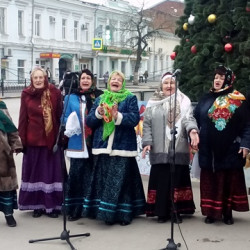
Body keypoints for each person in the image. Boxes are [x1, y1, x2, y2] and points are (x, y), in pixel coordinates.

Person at [83, 70, 146, 226]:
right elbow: (89, 122)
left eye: (119, 79)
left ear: (123, 83)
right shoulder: (100, 99)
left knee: (121, 182)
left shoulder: (130, 98)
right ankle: (105, 213)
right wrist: (98, 113)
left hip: (122, 146)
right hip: (103, 147)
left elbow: (134, 119)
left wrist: (117, 115)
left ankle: (123, 215)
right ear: (109, 82)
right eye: (113, 79)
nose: (115, 81)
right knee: (104, 181)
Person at [194, 65, 250, 225]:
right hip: (208, 149)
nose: (217, 80)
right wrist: (193, 133)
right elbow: (195, 118)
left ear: (228, 80)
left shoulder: (238, 99)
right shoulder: (206, 98)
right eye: (216, 77)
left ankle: (227, 213)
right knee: (210, 182)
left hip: (230, 149)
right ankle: (211, 213)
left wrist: (246, 144)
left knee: (227, 181)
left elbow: (247, 124)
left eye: (221, 77)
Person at [142, 72, 199, 223]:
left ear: (176, 85)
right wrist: (147, 142)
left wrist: (193, 130)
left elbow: (188, 119)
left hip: (178, 147)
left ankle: (176, 211)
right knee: (161, 180)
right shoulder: (153, 101)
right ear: (161, 85)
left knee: (177, 180)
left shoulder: (184, 101)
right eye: (166, 83)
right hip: (159, 149)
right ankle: (161, 212)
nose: (169, 86)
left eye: (172, 83)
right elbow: (146, 124)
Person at [18, 67, 64, 218]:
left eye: (41, 77)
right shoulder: (26, 94)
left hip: (51, 140)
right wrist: (21, 141)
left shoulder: (55, 93)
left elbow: (59, 116)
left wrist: (62, 137)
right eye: (35, 77)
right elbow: (23, 118)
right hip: (33, 140)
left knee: (50, 174)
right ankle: (37, 205)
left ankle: (52, 206)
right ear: (32, 79)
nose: (38, 80)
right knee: (35, 174)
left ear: (45, 78)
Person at [62, 69, 103, 221]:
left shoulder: (100, 96)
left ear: (93, 80)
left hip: (95, 142)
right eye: (82, 78)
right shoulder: (70, 97)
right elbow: (63, 119)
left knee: (93, 176)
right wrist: (70, 122)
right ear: (79, 81)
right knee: (77, 176)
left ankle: (92, 209)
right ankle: (75, 209)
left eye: (88, 78)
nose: (85, 80)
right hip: (78, 143)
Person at [0, 99, 22, 227]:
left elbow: (11, 128)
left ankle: (8, 214)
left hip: (3, 154)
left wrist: (15, 143)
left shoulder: (1, 107)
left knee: (6, 187)